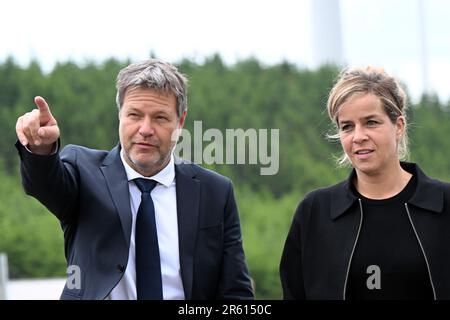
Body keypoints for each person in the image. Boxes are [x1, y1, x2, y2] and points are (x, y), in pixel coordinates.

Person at [15, 59, 254, 300]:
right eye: (134, 115)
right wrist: (41, 149)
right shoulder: (82, 171)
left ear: (180, 122)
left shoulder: (215, 192)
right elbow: (44, 184)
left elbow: (236, 292)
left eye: (160, 118)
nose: (145, 129)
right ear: (120, 115)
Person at [280, 66, 450, 300]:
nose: (358, 136)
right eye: (347, 126)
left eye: (371, 122)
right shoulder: (315, 212)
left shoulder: (445, 204)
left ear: (398, 126)